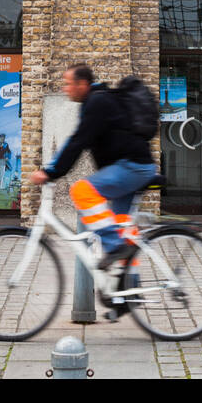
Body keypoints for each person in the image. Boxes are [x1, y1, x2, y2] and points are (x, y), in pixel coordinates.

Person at [29, 64, 157, 269]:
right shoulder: (97, 100)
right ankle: (127, 295)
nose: (65, 88)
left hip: (132, 167)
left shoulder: (97, 102)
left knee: (82, 190)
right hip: (134, 167)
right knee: (123, 231)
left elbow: (77, 142)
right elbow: (80, 141)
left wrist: (50, 172)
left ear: (82, 84)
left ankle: (113, 247)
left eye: (68, 84)